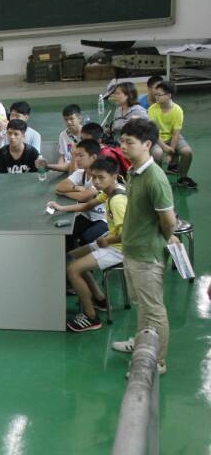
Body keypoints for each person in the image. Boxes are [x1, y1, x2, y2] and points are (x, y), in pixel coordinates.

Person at [110, 117, 177, 374]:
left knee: (154, 309)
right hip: (132, 249)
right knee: (143, 306)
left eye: (129, 142)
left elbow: (168, 221)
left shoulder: (155, 178)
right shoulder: (133, 170)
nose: (123, 146)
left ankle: (157, 360)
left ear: (147, 144)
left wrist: (159, 239)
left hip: (147, 255)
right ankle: (142, 343)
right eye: (122, 141)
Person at [50, 158, 128, 333]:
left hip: (120, 249)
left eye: (101, 178)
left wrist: (107, 241)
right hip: (111, 242)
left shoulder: (117, 200)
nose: (96, 182)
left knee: (72, 270)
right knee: (70, 257)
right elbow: (87, 205)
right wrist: (61, 208)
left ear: (114, 176)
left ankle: (91, 317)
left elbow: (128, 235)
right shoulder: (108, 192)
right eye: (94, 177)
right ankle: (99, 298)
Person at [54, 139, 108, 249]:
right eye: (75, 155)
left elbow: (83, 197)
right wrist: (76, 188)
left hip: (103, 218)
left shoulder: (101, 177)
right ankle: (68, 257)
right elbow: (59, 186)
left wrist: (64, 193)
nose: (77, 159)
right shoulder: (80, 173)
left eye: (81, 155)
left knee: (86, 238)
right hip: (87, 215)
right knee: (66, 234)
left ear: (94, 157)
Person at [148, 79, 196, 189]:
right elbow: (154, 132)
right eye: (155, 95)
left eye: (159, 95)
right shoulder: (152, 109)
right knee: (157, 153)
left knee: (187, 152)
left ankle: (183, 178)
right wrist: (165, 147)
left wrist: (171, 152)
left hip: (171, 137)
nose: (156, 97)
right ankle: (160, 180)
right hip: (157, 138)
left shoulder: (178, 110)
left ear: (169, 95)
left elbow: (176, 133)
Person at [50, 104, 83, 172]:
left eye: (71, 118)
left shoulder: (87, 134)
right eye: (66, 119)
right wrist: (59, 168)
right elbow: (62, 156)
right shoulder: (63, 135)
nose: (68, 122)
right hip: (66, 169)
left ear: (79, 118)